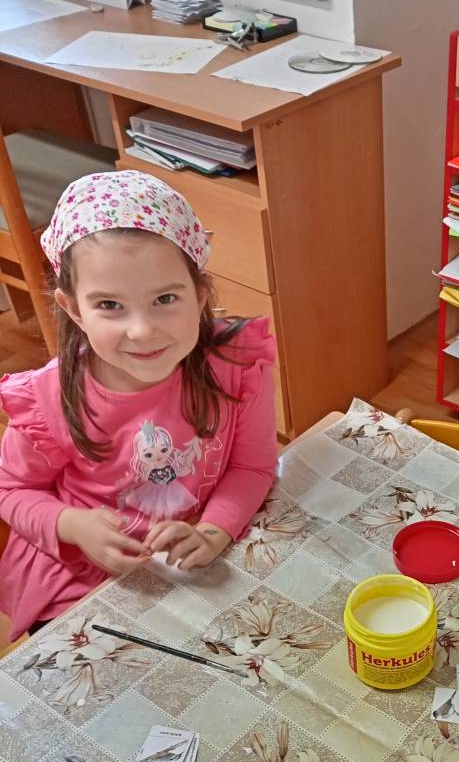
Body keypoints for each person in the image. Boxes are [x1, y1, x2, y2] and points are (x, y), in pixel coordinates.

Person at [0, 170, 278, 640]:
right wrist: (73, 525)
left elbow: (252, 467)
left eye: (164, 298)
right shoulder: (48, 399)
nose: (143, 331)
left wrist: (213, 531)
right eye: (109, 305)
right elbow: (10, 492)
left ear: (200, 295)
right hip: (82, 576)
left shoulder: (237, 364)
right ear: (73, 309)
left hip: (195, 547)